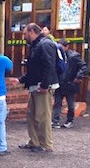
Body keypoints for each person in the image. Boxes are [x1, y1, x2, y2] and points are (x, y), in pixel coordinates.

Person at [10, 23, 59, 153]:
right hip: (35, 86)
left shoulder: (45, 44)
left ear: (32, 31)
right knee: (31, 115)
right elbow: (34, 68)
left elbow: (49, 66)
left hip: (42, 87)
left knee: (43, 116)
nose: (24, 36)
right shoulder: (37, 45)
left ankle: (46, 144)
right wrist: (21, 79)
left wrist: (44, 85)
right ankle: (34, 141)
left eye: (25, 33)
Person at [52, 38, 87, 128]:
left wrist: (78, 76)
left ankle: (69, 120)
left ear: (66, 47)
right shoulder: (57, 56)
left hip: (70, 83)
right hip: (60, 83)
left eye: (61, 47)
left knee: (70, 104)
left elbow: (83, 66)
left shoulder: (74, 56)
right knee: (57, 103)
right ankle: (55, 121)